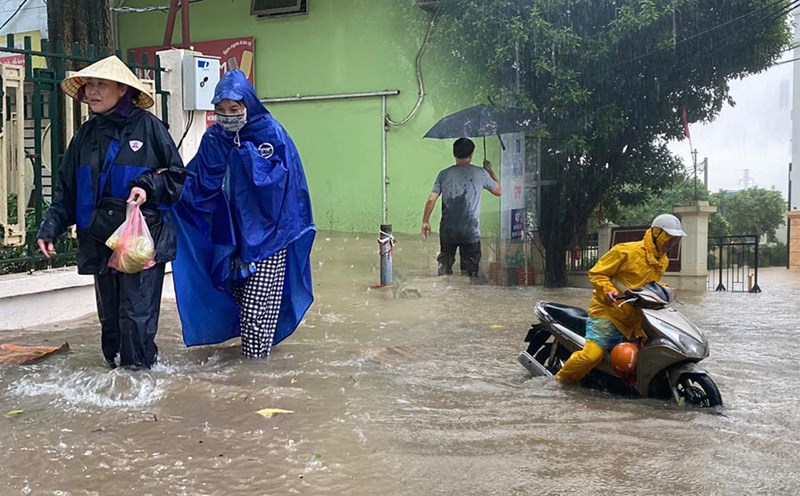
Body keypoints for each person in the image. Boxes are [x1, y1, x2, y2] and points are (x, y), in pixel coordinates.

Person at [36, 55, 186, 369]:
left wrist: (147, 186)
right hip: (100, 241)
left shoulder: (149, 128)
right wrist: (51, 226)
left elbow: (176, 177)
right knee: (111, 325)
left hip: (140, 243)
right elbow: (67, 190)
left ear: (122, 90)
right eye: (89, 84)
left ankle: (140, 386)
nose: (92, 91)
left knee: (136, 319)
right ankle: (117, 382)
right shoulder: (85, 135)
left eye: (100, 84)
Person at [173, 70, 315, 359]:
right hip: (230, 237)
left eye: (234, 109)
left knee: (256, 307)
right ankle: (251, 367)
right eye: (221, 110)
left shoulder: (271, 133)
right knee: (238, 298)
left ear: (248, 105)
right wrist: (164, 188)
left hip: (270, 236)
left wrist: (245, 158)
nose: (228, 116)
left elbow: (284, 185)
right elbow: (198, 182)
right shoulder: (214, 138)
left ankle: (254, 372)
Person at [555, 214, 686, 383]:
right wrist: (608, 290)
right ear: (657, 233)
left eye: (675, 240)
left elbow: (649, 284)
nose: (671, 244)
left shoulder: (663, 260)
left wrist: (665, 290)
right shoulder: (625, 251)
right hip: (608, 313)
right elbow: (597, 273)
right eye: (669, 238)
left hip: (635, 319)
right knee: (592, 355)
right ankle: (558, 380)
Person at [420, 137, 502, 281]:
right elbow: (499, 191)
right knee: (473, 275)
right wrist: (490, 171)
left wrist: (425, 222)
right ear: (471, 155)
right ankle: (470, 301)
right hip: (470, 231)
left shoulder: (443, 174)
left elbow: (431, 199)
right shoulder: (480, 173)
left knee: (444, 271)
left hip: (448, 230)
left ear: (454, 154)